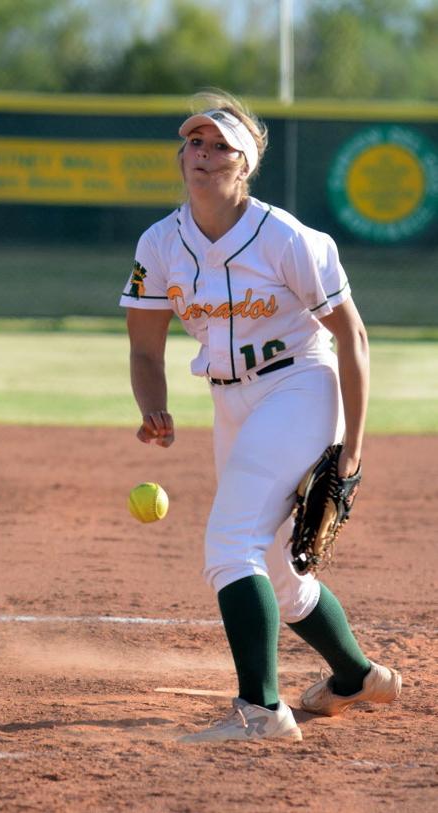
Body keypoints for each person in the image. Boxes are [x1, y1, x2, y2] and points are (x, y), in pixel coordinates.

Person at [119, 90, 401, 743]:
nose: (204, 153)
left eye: (220, 145)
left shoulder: (286, 238)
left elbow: (351, 338)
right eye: (194, 141)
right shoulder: (161, 242)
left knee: (228, 543)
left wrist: (351, 448)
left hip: (300, 386)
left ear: (244, 163)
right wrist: (152, 403)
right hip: (229, 400)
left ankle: (259, 711)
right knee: (277, 565)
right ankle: (357, 676)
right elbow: (143, 345)